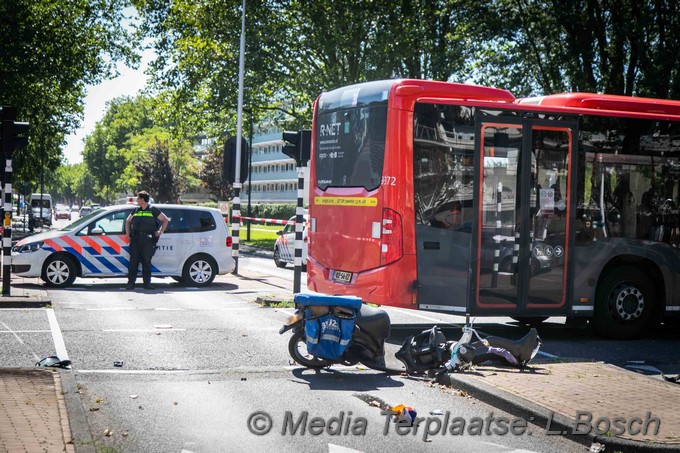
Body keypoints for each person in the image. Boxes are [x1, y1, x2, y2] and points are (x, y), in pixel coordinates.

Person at [125, 191, 169, 290]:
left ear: (143, 200)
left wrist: (160, 231)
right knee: (133, 262)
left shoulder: (153, 209)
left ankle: (147, 283)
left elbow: (165, 220)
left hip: (148, 240)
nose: (136, 200)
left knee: (146, 262)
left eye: (138, 198)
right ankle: (131, 283)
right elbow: (128, 221)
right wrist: (128, 234)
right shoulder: (136, 210)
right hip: (136, 239)